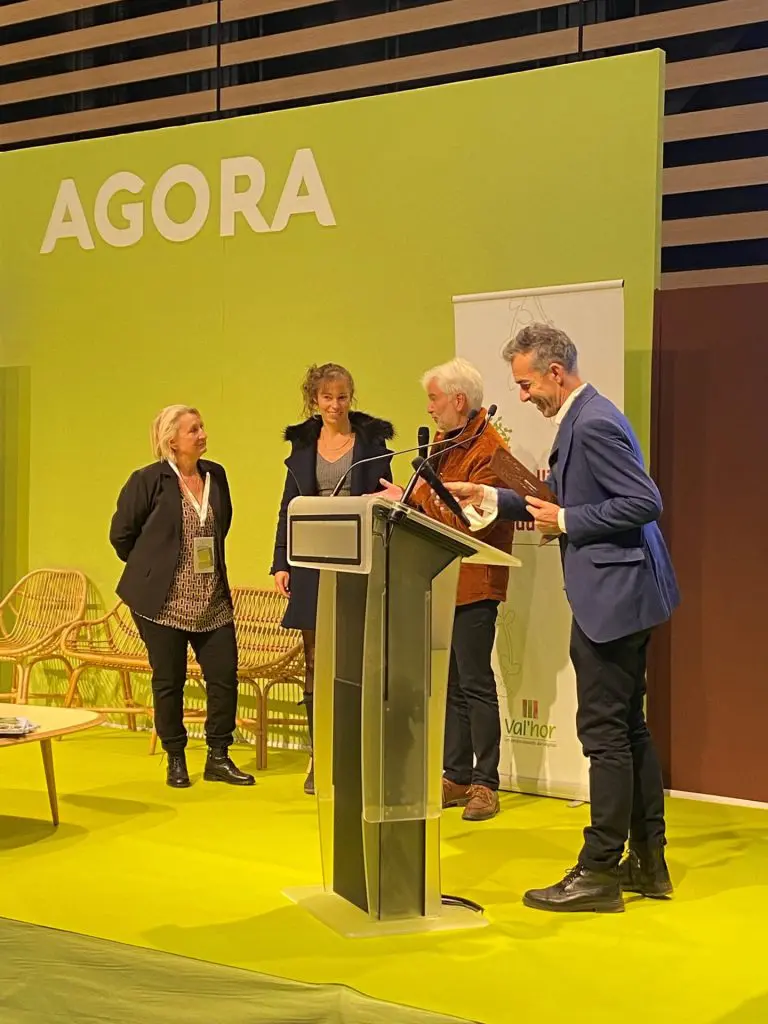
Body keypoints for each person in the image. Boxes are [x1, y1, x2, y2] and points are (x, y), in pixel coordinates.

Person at [445, 324, 679, 912]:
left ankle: (598, 871)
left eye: (527, 385)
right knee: (627, 730)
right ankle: (648, 863)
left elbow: (644, 502)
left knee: (606, 736)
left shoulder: (592, 421)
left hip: (614, 600)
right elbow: (565, 498)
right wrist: (492, 497)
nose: (523, 396)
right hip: (623, 595)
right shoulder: (585, 417)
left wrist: (568, 522)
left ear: (555, 372)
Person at [381, 357, 513, 822]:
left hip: (476, 582)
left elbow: (469, 524)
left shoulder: (490, 451)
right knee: (452, 682)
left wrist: (415, 497)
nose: (429, 408)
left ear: (459, 400)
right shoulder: (442, 442)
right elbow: (431, 503)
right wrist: (403, 498)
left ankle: (486, 783)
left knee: (475, 683)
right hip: (438, 580)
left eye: (434, 398)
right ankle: (456, 776)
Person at [110, 405, 254, 790]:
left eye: (202, 427)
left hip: (212, 600)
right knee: (169, 681)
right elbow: (121, 535)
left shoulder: (215, 475)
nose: (202, 434)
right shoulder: (148, 480)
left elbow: (222, 525)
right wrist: (152, 567)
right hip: (163, 604)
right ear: (171, 440)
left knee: (224, 678)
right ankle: (175, 757)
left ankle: (218, 756)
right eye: (193, 429)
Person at [271, 363, 394, 796]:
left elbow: (387, 501)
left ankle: (356, 752)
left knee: (357, 661)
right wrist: (281, 562)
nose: (336, 405)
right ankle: (319, 754)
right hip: (311, 564)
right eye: (327, 397)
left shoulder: (372, 444)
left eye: (342, 397)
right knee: (315, 663)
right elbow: (288, 507)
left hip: (358, 562)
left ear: (350, 397)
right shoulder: (303, 446)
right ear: (315, 400)